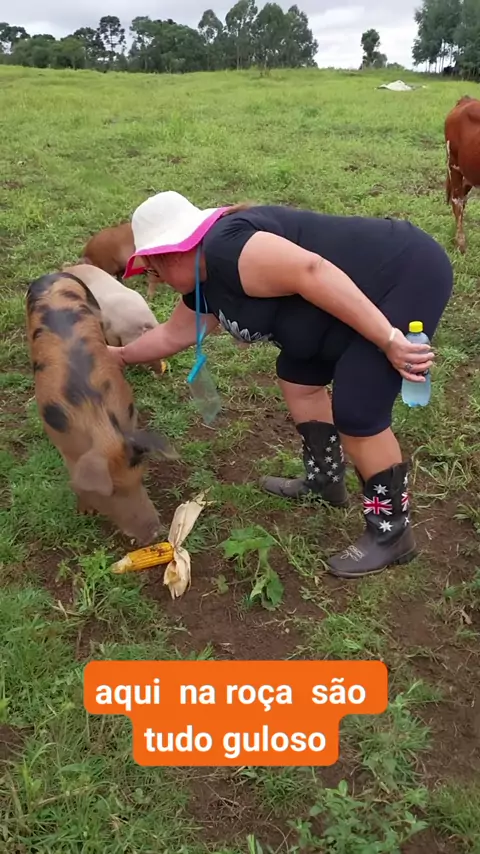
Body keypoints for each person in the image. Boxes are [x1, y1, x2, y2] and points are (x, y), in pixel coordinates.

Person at [108, 190, 453, 578]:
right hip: (348, 297)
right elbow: (173, 335)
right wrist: (117, 356)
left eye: (152, 272)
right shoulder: (204, 282)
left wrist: (388, 339)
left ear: (169, 254)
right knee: (298, 376)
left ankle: (393, 533)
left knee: (359, 411)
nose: (156, 282)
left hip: (402, 274)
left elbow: (312, 272)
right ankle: (325, 481)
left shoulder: (227, 248)